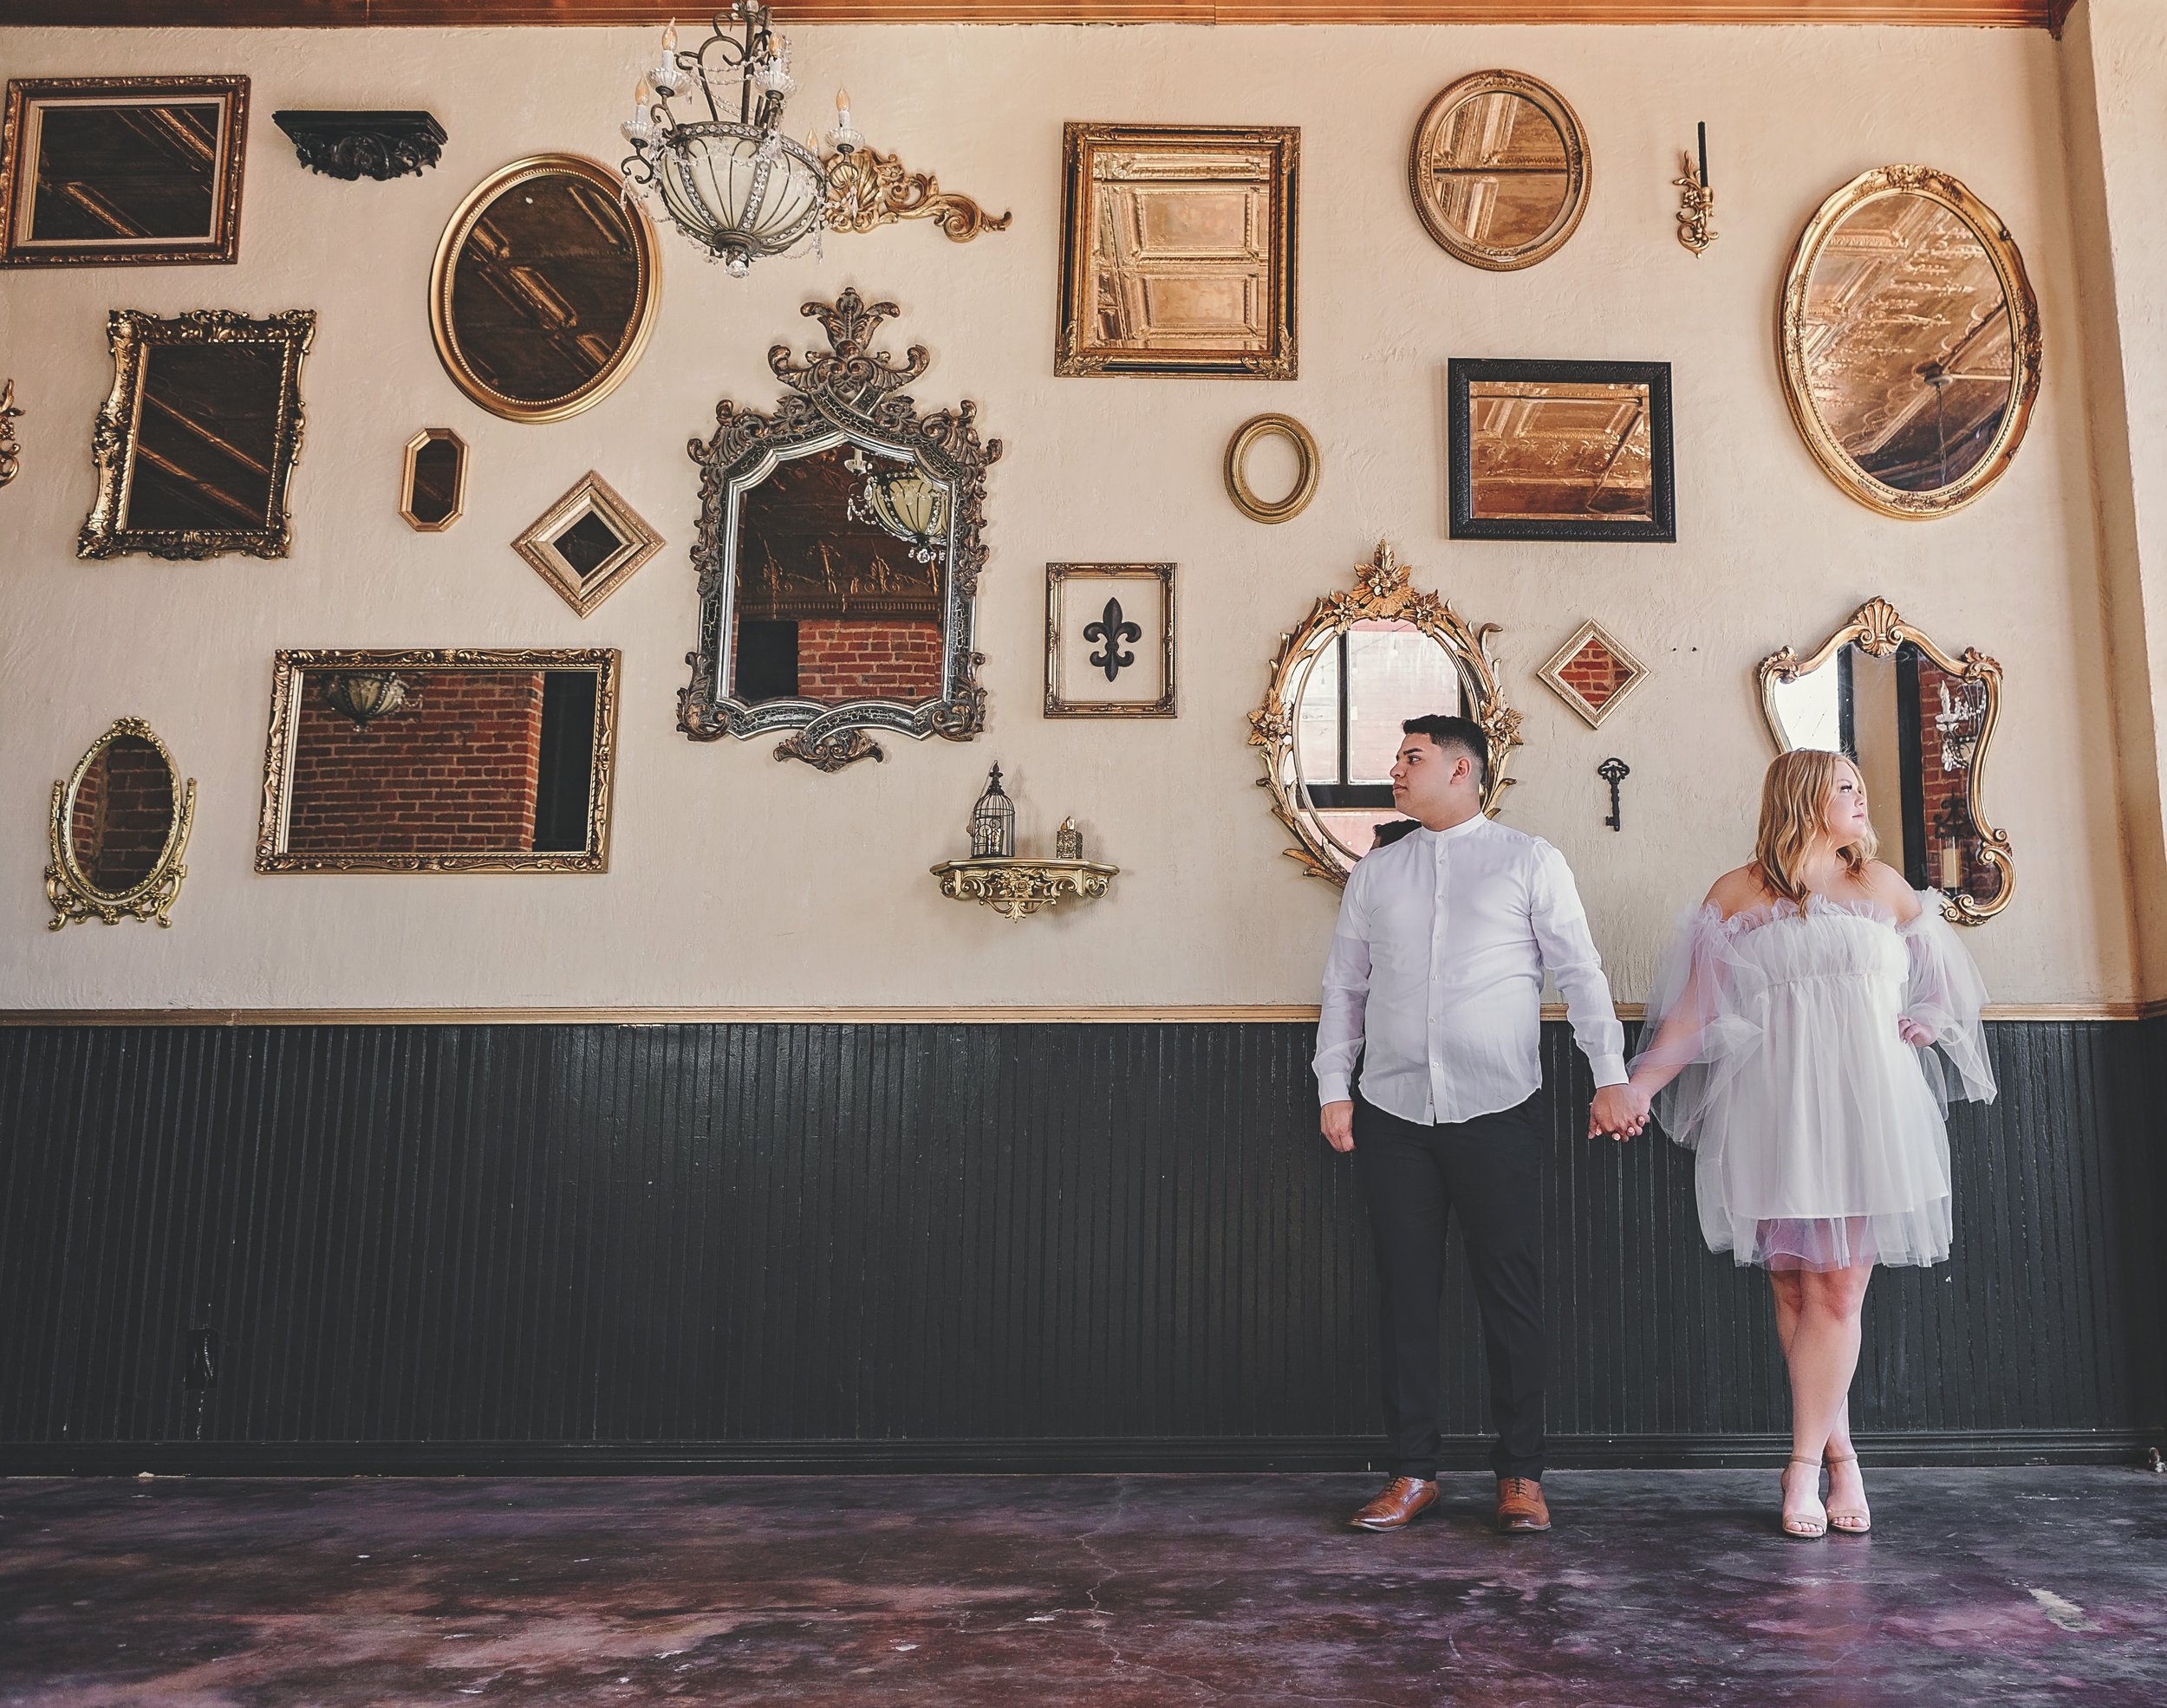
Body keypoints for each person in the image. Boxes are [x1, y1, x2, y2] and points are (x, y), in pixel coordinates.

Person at [1611, 749, 1995, 1538]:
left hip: (1865, 1108)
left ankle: (1803, 1466)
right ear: (1803, 797)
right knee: (1794, 1290)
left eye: (1860, 785)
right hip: (1773, 1106)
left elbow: (1949, 977)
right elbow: (1691, 1013)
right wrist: (1638, 1087)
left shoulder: (1882, 887)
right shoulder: (1737, 893)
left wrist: (1930, 1019)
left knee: (1840, 1290)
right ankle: (1841, 1451)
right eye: (1846, 786)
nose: (1862, 798)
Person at [1318, 714, 1648, 1536]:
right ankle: (1412, 1471)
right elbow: (1344, 991)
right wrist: (1333, 1086)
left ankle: (1522, 1475)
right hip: (1392, 1113)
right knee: (1406, 1298)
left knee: (1511, 1296)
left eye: (1411, 757)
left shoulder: (1529, 860)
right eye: (1398, 756)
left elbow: (1581, 973)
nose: (1397, 768)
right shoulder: (1376, 874)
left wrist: (1611, 1076)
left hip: (1498, 1108)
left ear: (1461, 770)